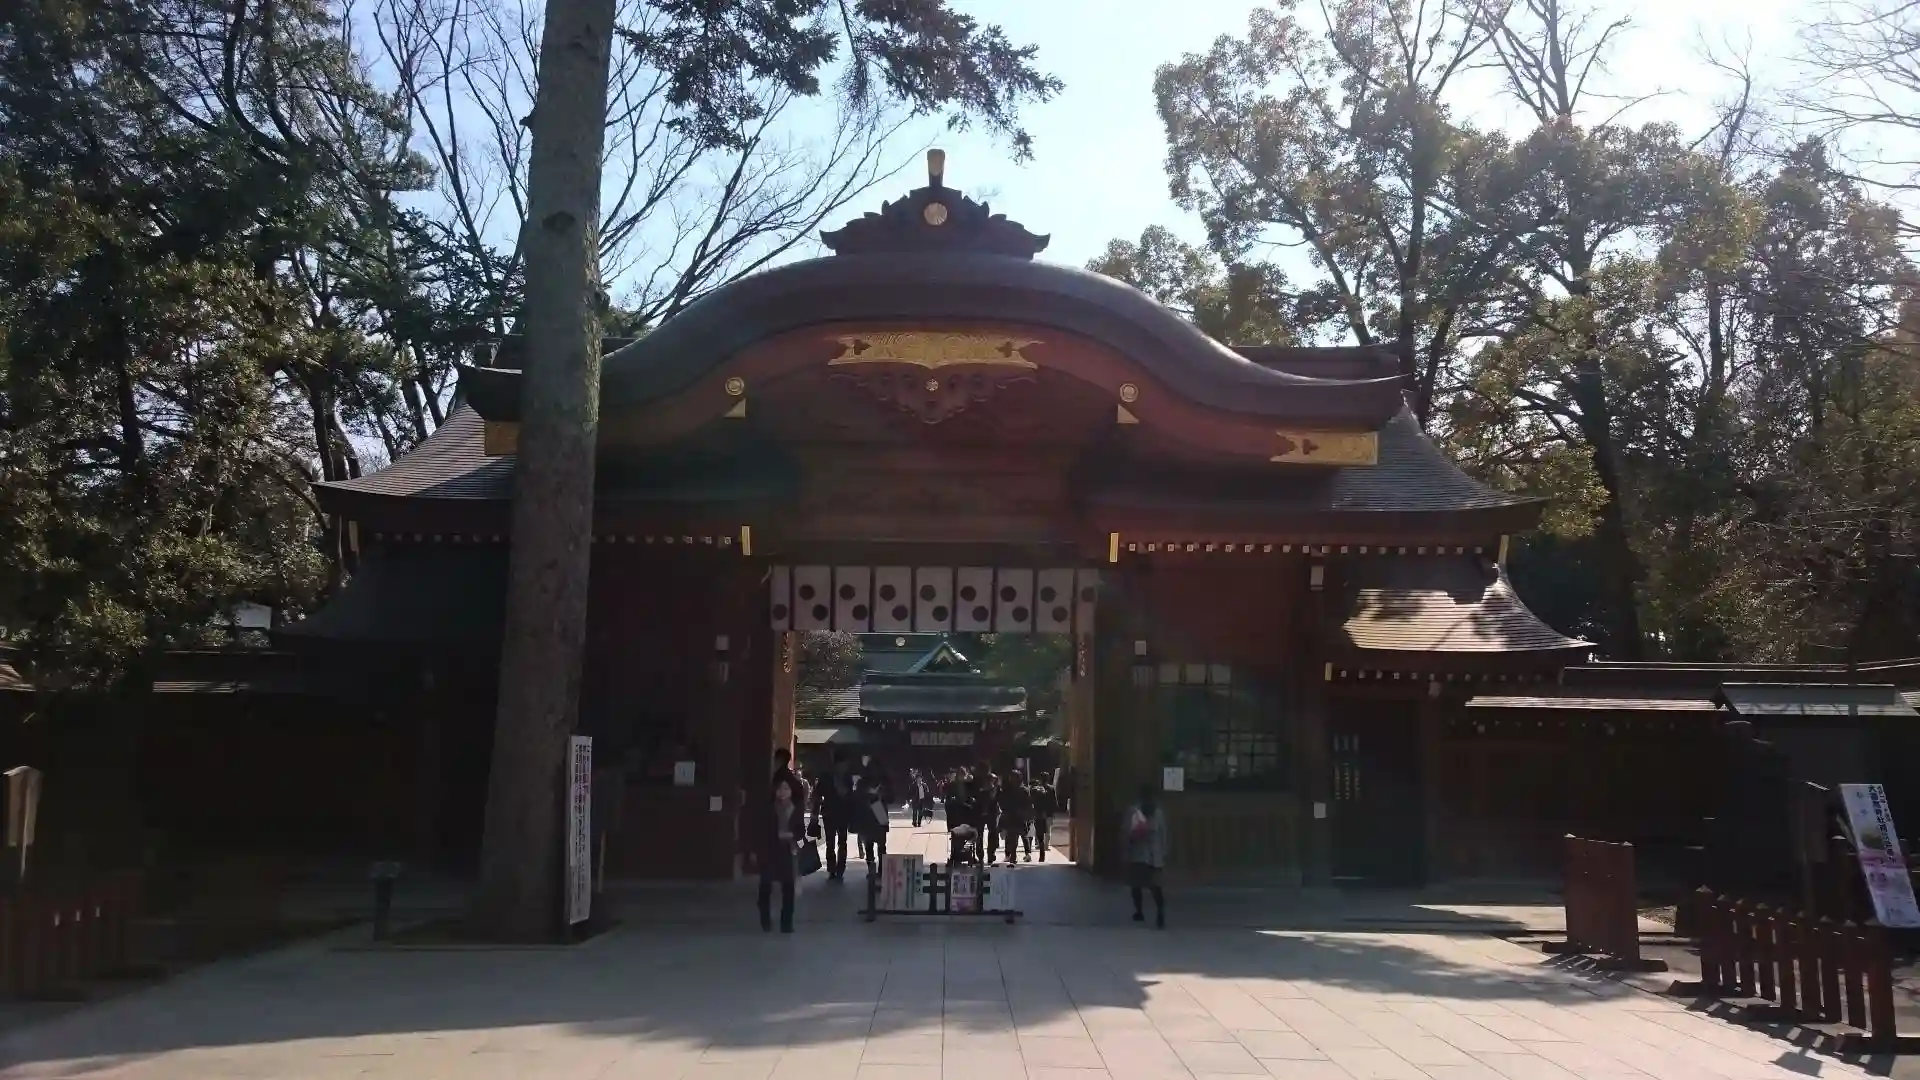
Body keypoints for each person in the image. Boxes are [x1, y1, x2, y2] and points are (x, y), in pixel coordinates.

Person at [758, 777, 805, 933]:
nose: (782, 792)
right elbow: (761, 830)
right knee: (765, 887)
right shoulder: (769, 809)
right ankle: (765, 920)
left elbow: (801, 832)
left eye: (786, 789)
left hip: (788, 851)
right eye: (780, 789)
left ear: (791, 791)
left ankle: (786, 923)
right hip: (770, 850)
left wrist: (797, 842)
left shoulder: (796, 809)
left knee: (788, 888)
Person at [1124, 783, 1168, 928]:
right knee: (1156, 886)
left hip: (1138, 853)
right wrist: (1163, 852)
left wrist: (1127, 850)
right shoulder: (1159, 812)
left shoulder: (1134, 811)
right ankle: (1160, 912)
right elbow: (1163, 834)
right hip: (1154, 854)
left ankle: (1139, 911)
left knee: (1136, 885)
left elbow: (1128, 832)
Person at [811, 751, 854, 881]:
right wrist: (814, 815)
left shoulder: (846, 777)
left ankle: (840, 868)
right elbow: (817, 795)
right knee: (831, 842)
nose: (845, 767)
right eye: (844, 764)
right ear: (838, 763)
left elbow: (849, 794)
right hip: (830, 813)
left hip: (841, 813)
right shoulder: (828, 777)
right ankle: (832, 869)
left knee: (842, 842)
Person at [855, 775, 890, 873]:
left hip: (871, 811)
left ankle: (873, 870)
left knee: (871, 846)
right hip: (875, 809)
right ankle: (878, 870)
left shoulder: (865, 781)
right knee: (878, 846)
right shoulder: (878, 779)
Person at [998, 771, 1032, 865]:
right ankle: (1022, 854)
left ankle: (1012, 855)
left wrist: (1005, 810)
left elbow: (1002, 801)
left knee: (1013, 835)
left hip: (1012, 814)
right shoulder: (1024, 790)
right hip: (1019, 815)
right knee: (1021, 835)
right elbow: (1029, 803)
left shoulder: (1007, 790)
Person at [1029, 774, 1055, 862]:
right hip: (1046, 813)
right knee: (1047, 831)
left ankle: (1034, 848)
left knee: (1035, 832)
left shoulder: (1034, 790)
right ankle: (1045, 848)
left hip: (1036, 813)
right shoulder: (1049, 789)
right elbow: (1053, 801)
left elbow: (1030, 802)